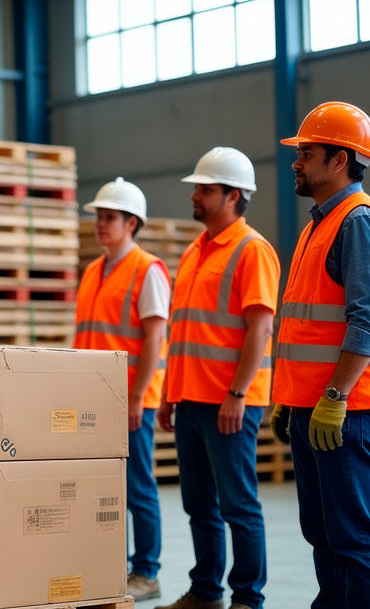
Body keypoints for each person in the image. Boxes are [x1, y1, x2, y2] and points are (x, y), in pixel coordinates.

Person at [156, 147, 279, 609]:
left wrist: (238, 395)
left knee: (238, 506)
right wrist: (170, 393)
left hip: (229, 402)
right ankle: (206, 591)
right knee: (199, 506)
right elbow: (182, 331)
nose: (196, 196)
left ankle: (248, 598)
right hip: (189, 399)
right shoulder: (193, 252)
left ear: (233, 196)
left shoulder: (253, 250)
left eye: (205, 189)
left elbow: (260, 329)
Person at [272, 101, 370, 609]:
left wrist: (335, 395)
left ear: (340, 160)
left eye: (306, 152)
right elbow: (305, 324)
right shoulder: (317, 225)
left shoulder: (356, 222)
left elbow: (365, 320)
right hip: (311, 409)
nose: (295, 161)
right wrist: (287, 400)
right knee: (323, 535)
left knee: (352, 540)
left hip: (343, 414)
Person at [73, 177, 169, 601]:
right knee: (102, 487)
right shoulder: (94, 270)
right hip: (92, 399)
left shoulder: (147, 270)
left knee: (138, 486)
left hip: (130, 401)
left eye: (109, 217)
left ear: (132, 222)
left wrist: (136, 397)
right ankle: (114, 565)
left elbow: (154, 339)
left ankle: (146, 572)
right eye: (99, 216)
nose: (100, 223)